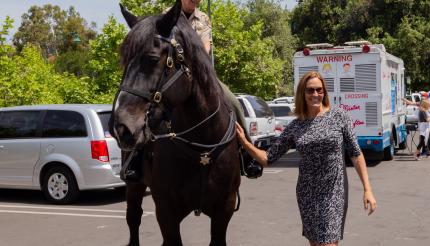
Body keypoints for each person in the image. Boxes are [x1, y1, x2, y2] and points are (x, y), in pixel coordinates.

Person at [123, 0, 262, 181]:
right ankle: (135, 158)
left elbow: (205, 49)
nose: (196, 0)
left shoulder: (203, 18)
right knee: (152, 110)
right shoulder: (167, 15)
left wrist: (192, 61)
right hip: (174, 74)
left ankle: (246, 154)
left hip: (200, 73)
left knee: (232, 100)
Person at [235, 71, 377, 245]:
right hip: (307, 193)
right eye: (310, 90)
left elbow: (356, 154)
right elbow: (267, 158)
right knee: (316, 243)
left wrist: (367, 189)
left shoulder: (339, 116)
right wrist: (244, 142)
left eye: (319, 90)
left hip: (333, 192)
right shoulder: (296, 125)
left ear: (324, 92)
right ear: (303, 93)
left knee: (328, 243)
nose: (315, 94)